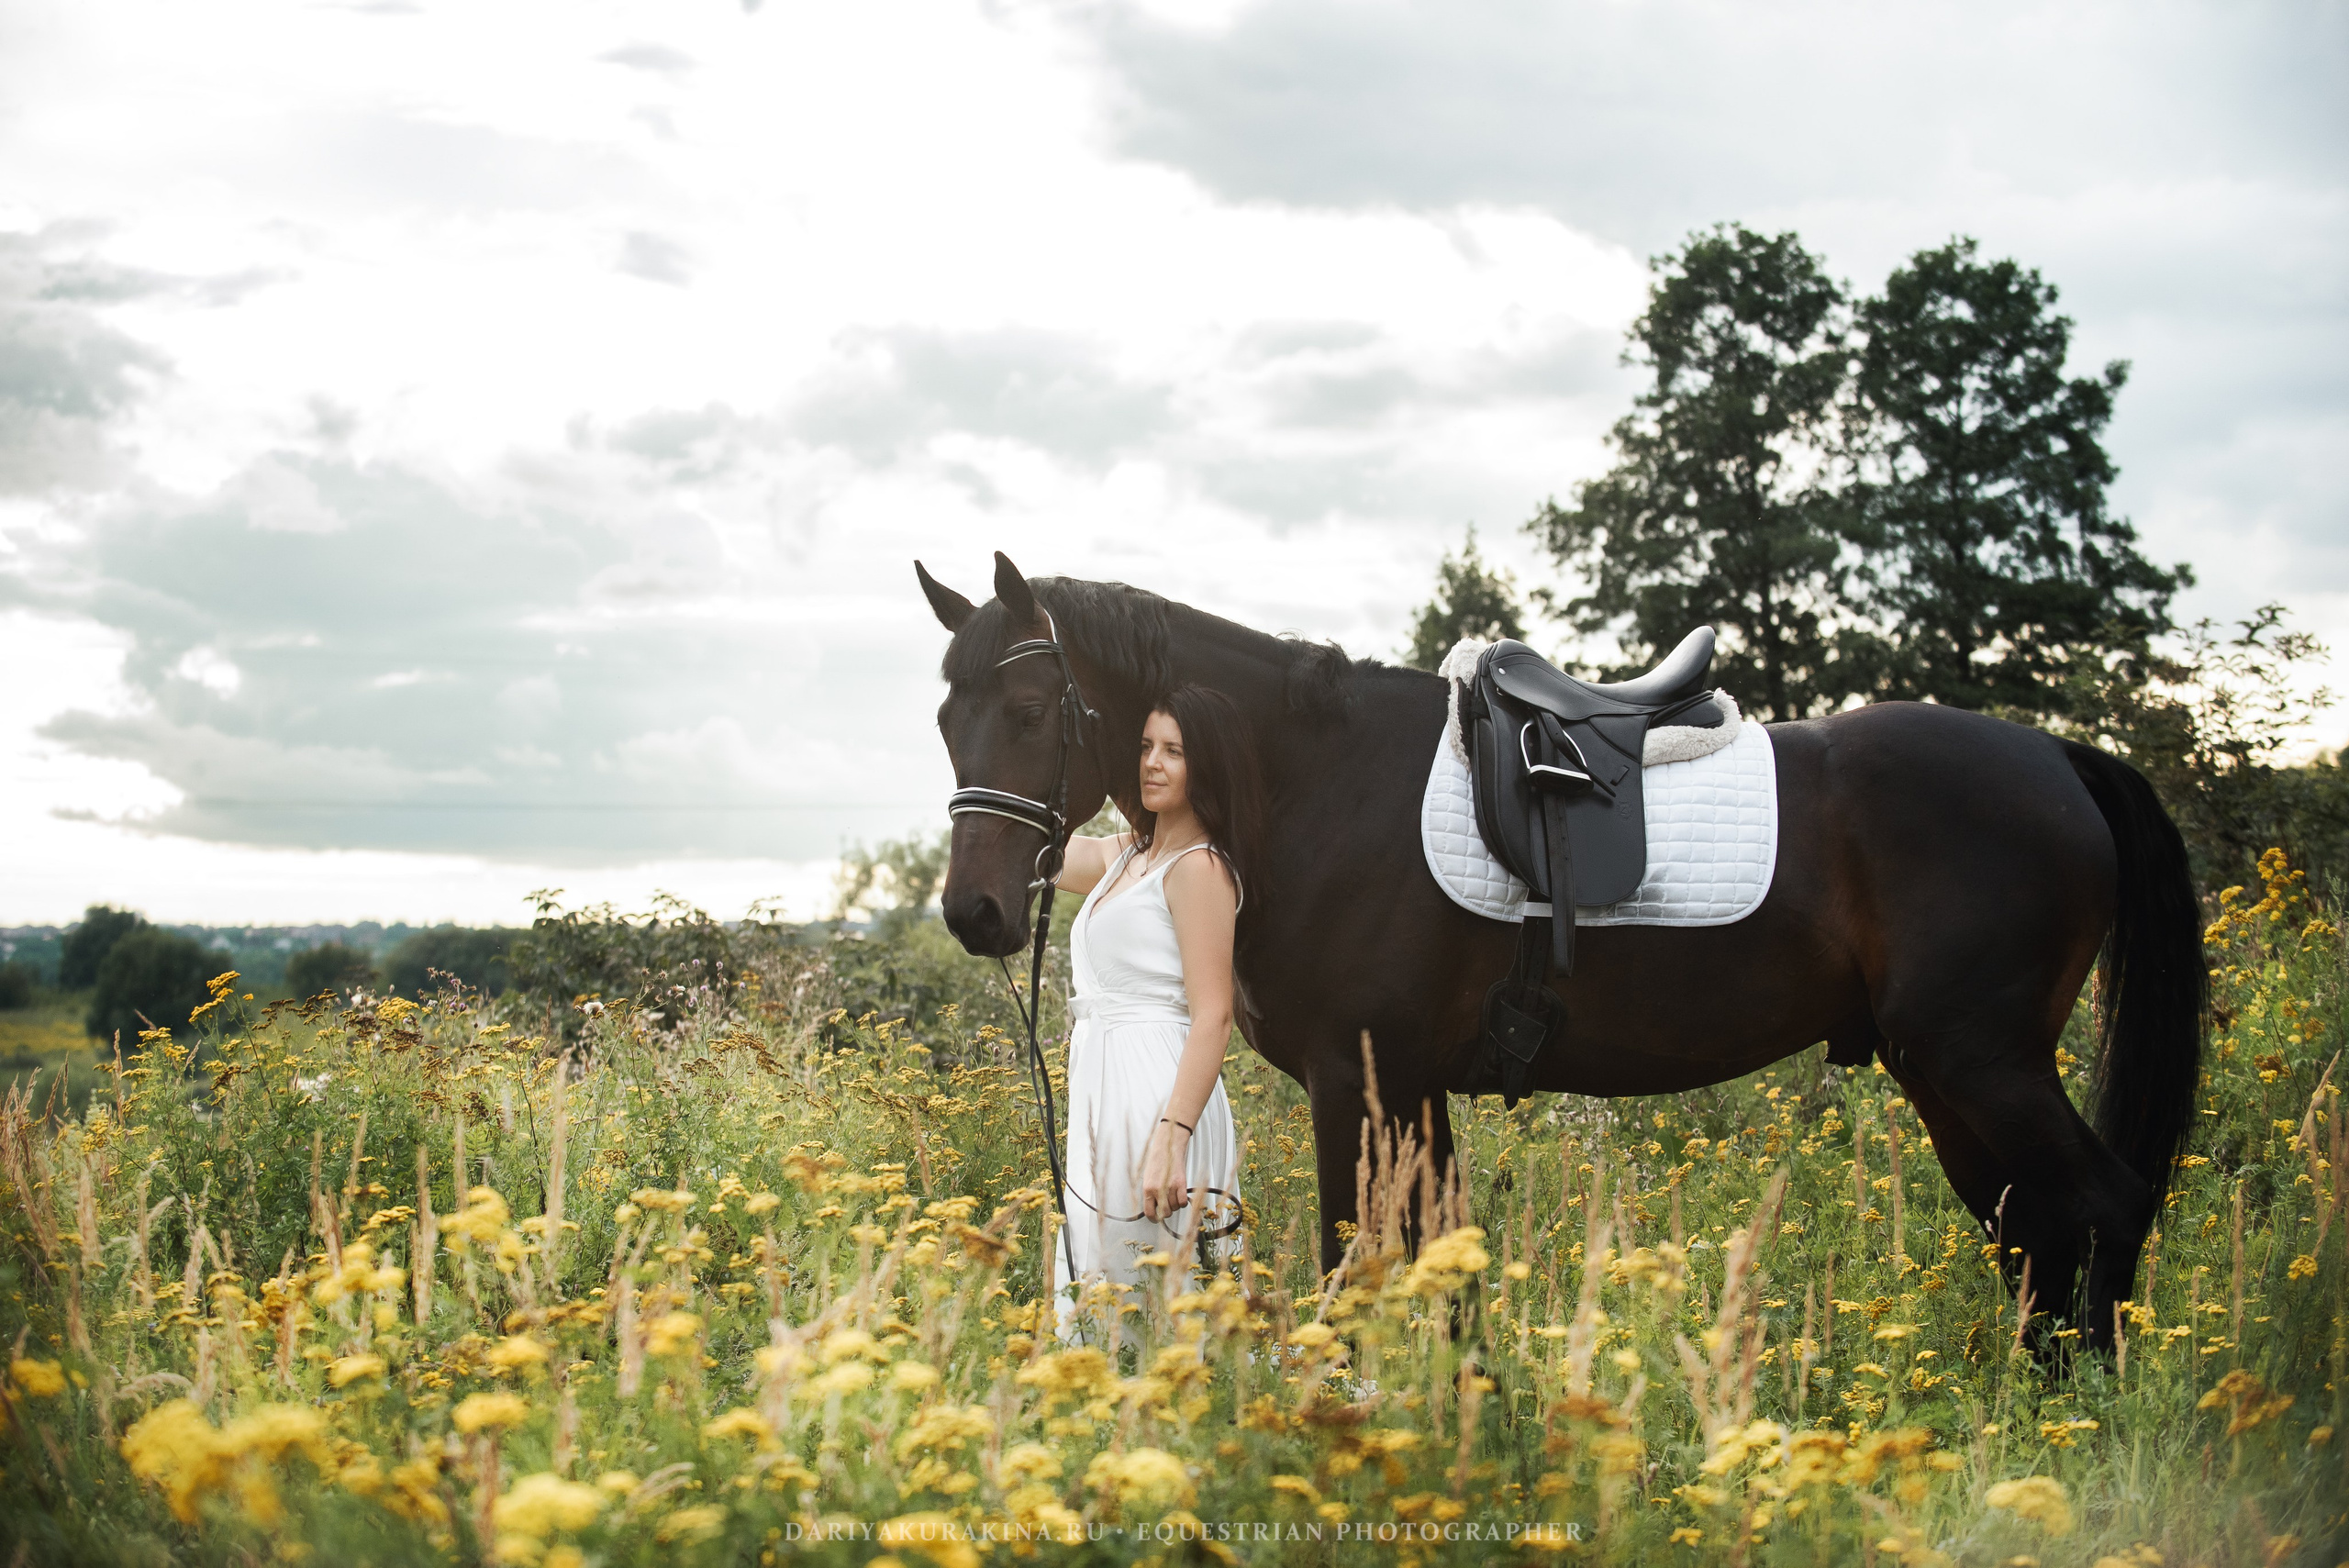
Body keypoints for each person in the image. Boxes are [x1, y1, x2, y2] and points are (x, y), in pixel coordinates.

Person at [1049, 684, 1261, 1340]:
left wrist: (1173, 1134)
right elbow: (1041, 847)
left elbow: (1214, 1015)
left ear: (1208, 764)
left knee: (1156, 1303)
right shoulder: (1129, 854)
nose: (1153, 763)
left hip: (1158, 1091)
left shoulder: (1199, 868)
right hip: (1102, 1086)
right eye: (1145, 747)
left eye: (1174, 749)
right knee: (1103, 1288)